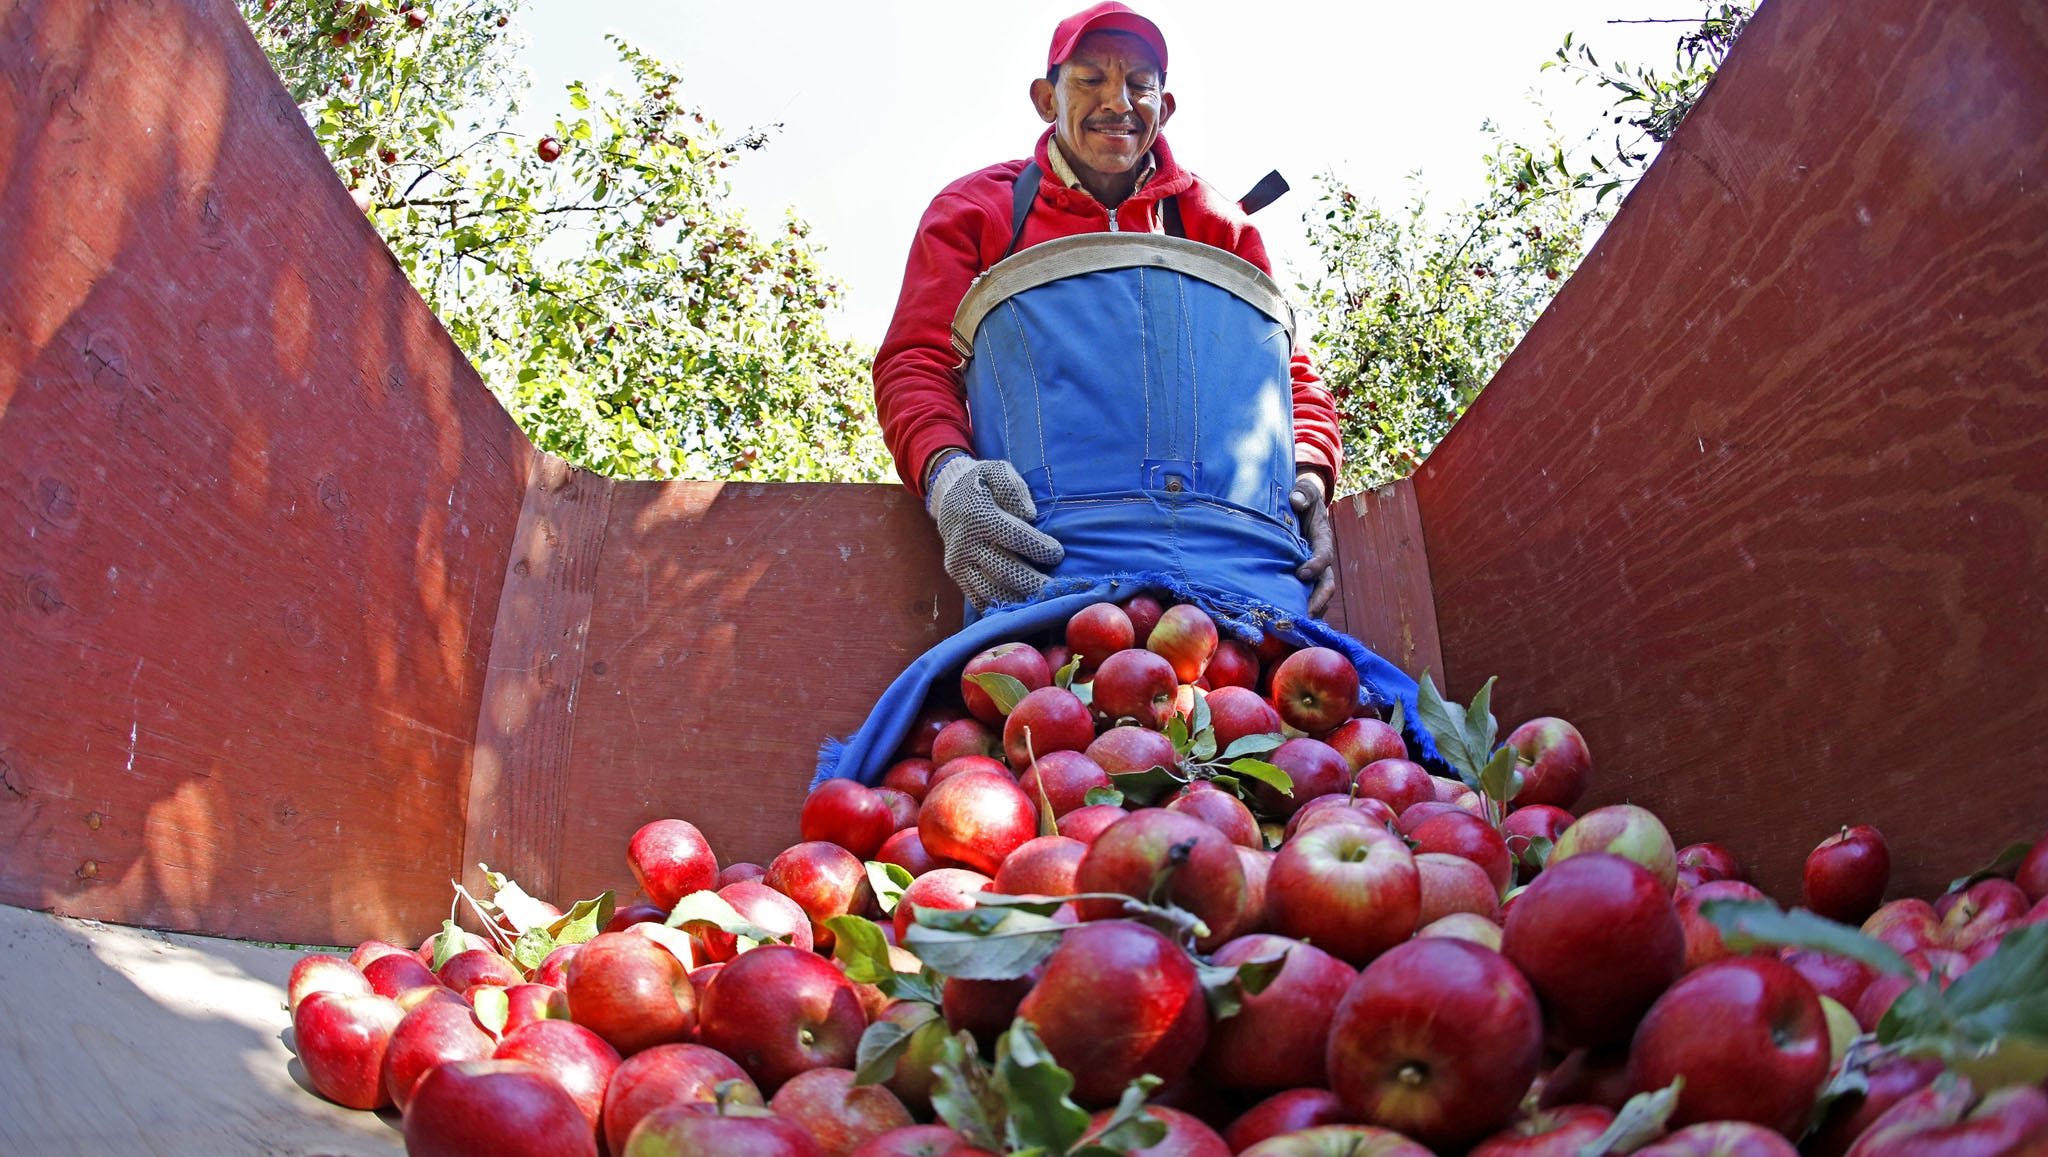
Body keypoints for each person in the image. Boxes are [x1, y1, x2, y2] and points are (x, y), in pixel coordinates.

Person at [871, 1, 1343, 617]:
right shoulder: (975, 211)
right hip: (1044, 548)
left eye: (1140, 85)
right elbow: (915, 363)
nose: (1117, 102)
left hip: (1227, 555)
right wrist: (950, 478)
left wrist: (1309, 481)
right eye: (1090, 79)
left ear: (1164, 108)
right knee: (1036, 699)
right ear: (1045, 98)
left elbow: (1286, 379)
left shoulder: (1218, 225)